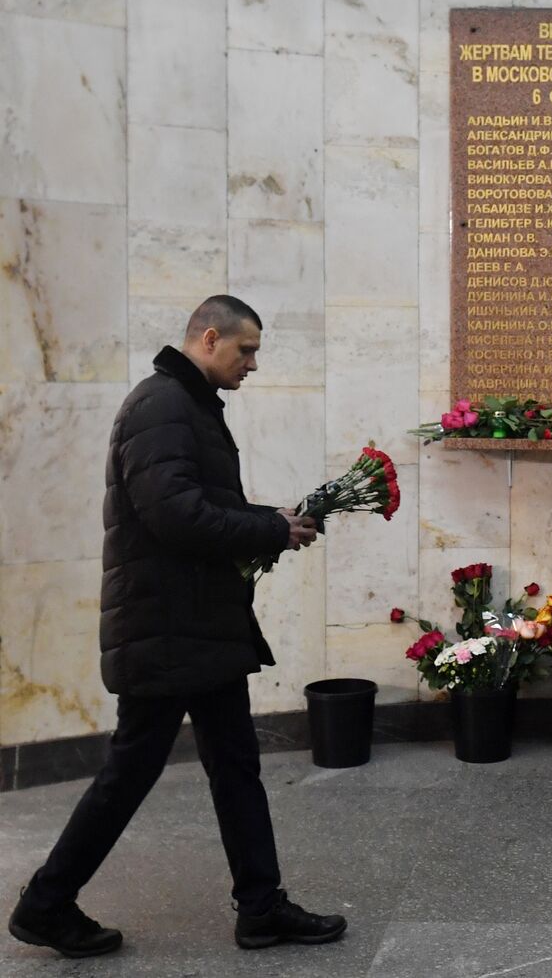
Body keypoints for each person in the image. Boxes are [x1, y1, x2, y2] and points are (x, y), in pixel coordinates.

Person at [7, 296, 346, 957]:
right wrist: (270, 528)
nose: (253, 364)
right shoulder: (162, 406)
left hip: (196, 627)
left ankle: (261, 907)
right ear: (209, 338)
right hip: (167, 631)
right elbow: (176, 518)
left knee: (235, 765)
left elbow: (200, 506)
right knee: (131, 770)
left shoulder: (185, 406)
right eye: (245, 351)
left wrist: (271, 520)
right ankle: (45, 903)